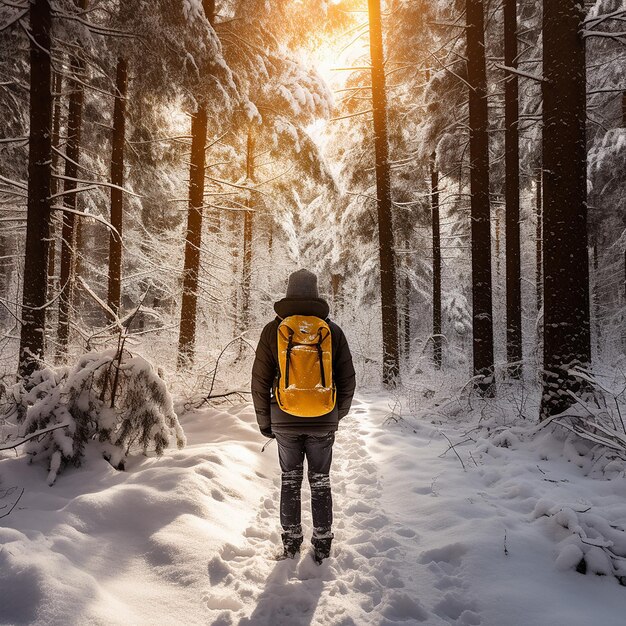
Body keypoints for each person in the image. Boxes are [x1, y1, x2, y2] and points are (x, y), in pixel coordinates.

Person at [251, 269, 356, 563]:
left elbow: (259, 381)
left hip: (283, 419)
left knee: (290, 479)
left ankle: (291, 543)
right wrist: (335, 414)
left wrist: (265, 422)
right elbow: (348, 380)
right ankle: (322, 544)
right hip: (324, 419)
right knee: (320, 480)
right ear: (315, 293)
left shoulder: (273, 330)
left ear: (288, 293)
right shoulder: (332, 331)